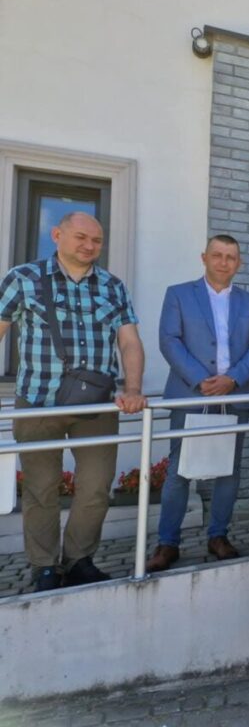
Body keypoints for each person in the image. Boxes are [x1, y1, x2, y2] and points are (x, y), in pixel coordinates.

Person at [0, 212, 146, 592]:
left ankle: (79, 559)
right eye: (80, 237)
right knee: (40, 489)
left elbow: (129, 341)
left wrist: (132, 388)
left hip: (96, 405)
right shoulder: (24, 278)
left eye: (96, 241)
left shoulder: (113, 286)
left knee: (97, 487)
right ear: (57, 235)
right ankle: (44, 567)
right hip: (38, 402)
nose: (89, 246)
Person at [147, 235, 249, 572]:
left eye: (231, 257)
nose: (224, 262)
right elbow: (169, 340)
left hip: (234, 394)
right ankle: (168, 542)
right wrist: (201, 379)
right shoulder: (179, 294)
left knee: (228, 469)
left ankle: (218, 536)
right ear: (204, 257)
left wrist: (233, 379)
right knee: (180, 471)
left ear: (238, 263)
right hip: (191, 394)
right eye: (217, 255)